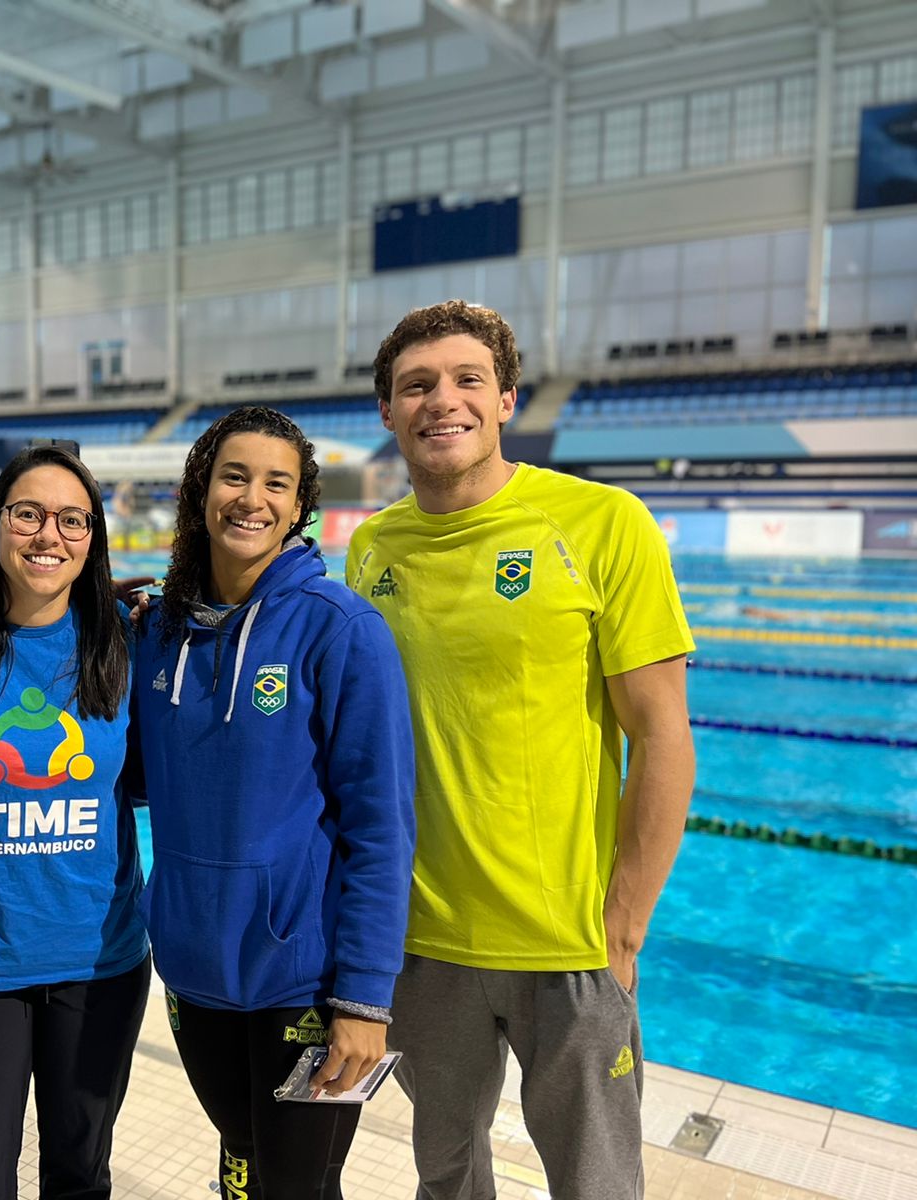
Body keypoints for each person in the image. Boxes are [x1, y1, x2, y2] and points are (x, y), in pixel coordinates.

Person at [347, 300, 696, 1200]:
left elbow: (663, 735)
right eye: (415, 385)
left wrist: (623, 925)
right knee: (448, 1178)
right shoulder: (372, 548)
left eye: (467, 380)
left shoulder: (602, 523)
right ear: (387, 412)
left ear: (507, 398)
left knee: (597, 1184)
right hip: (421, 947)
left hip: (568, 945)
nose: (441, 401)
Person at [130, 406, 416, 1200]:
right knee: (243, 1165)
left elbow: (381, 829)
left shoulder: (343, 631)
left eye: (275, 483)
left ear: (298, 506)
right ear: (200, 490)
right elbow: (136, 778)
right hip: (193, 971)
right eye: (233, 476)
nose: (251, 498)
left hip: (305, 984)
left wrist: (365, 997)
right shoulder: (159, 633)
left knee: (298, 1186)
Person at [0, 443, 149, 1200]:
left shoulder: (126, 635)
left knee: (81, 1174)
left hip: (99, 961)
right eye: (29, 514)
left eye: (72, 520)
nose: (49, 534)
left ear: (94, 537)